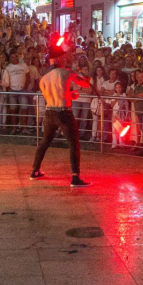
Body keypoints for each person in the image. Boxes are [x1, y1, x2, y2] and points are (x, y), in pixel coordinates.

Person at [30, 44, 89, 187]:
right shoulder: (66, 72)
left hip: (50, 112)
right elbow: (85, 84)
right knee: (74, 144)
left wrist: (69, 94)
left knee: (44, 142)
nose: (64, 58)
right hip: (64, 112)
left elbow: (50, 96)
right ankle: (75, 177)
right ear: (58, 58)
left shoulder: (43, 79)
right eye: (63, 56)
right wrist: (82, 74)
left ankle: (35, 171)